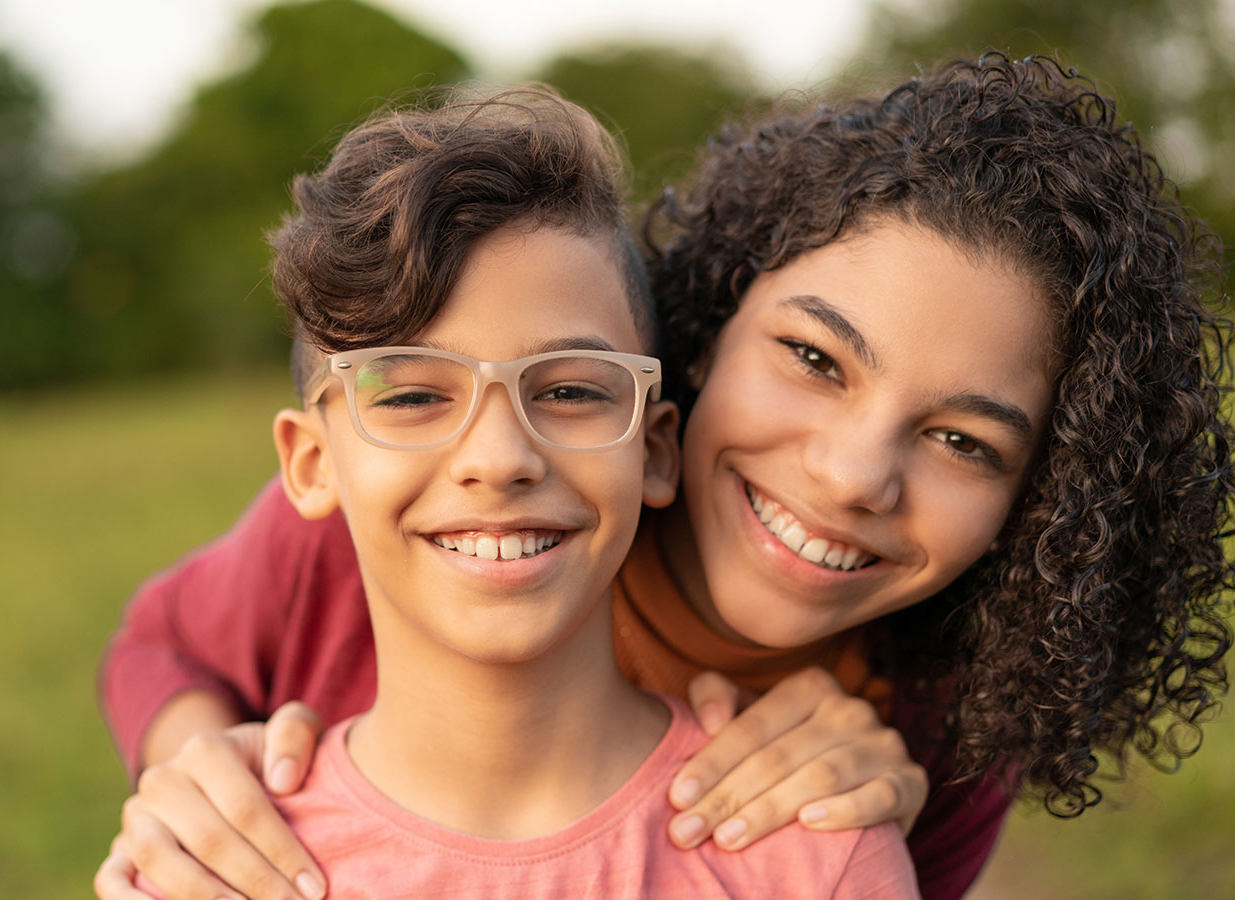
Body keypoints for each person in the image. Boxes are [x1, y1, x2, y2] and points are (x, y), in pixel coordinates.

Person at [97, 54, 1233, 900]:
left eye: (963, 443)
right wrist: (199, 776)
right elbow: (163, 646)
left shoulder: (925, 756)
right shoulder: (405, 503)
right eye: (811, 358)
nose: (849, 477)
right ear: (711, 329)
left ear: (1040, 513)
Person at [128, 83, 920, 900]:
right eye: (409, 396)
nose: (500, 457)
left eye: (573, 391)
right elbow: (155, 646)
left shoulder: (818, 858)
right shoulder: (211, 866)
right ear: (310, 464)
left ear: (655, 451)